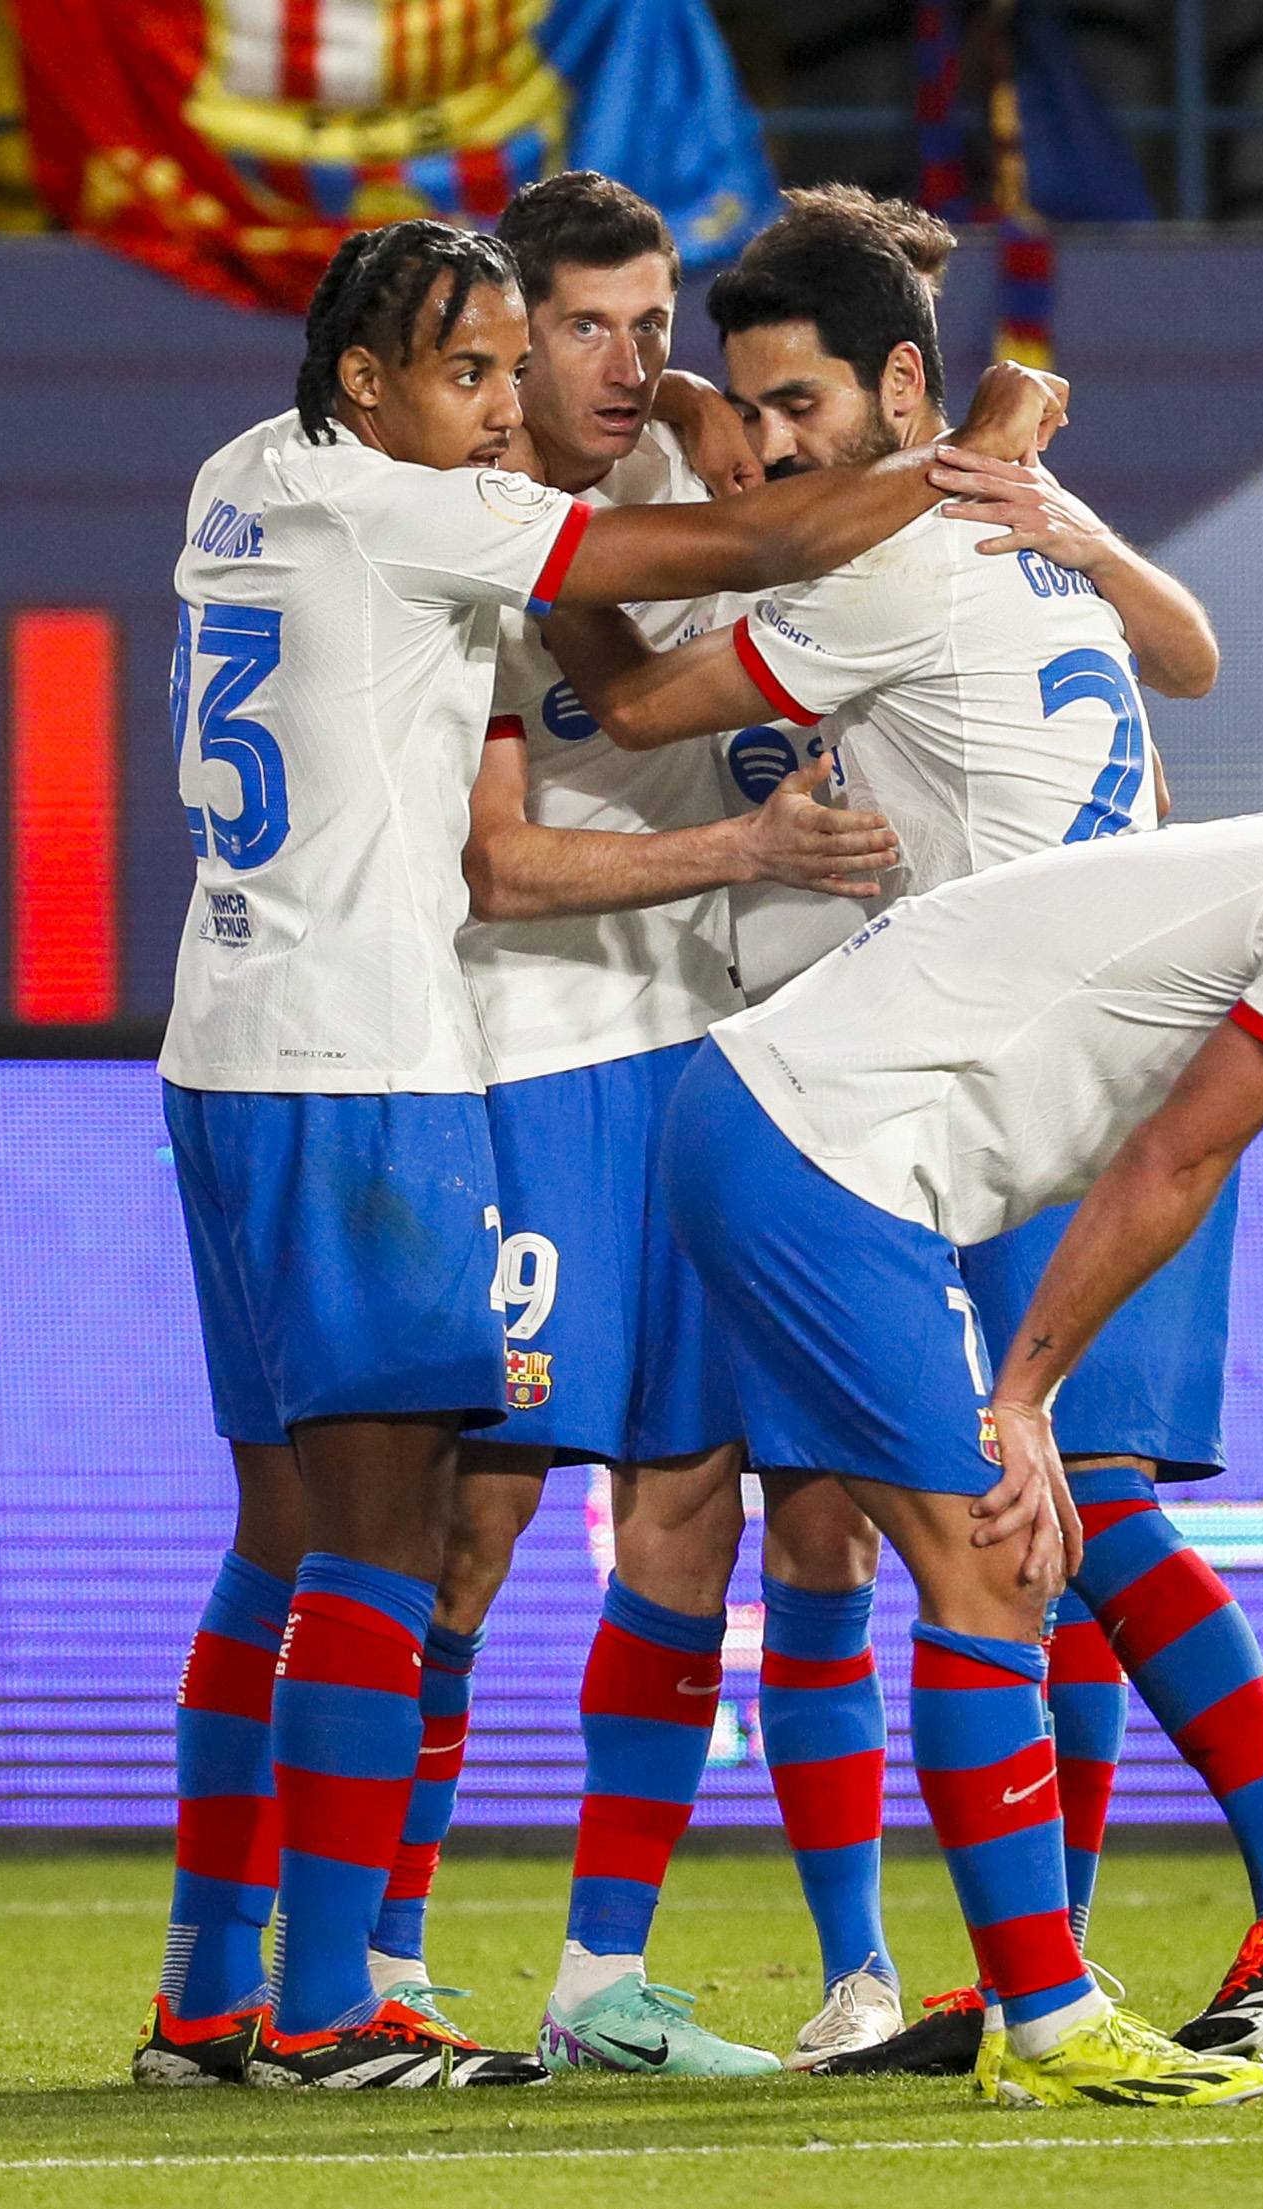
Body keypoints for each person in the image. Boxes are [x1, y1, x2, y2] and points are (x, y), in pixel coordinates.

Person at [132, 213, 1065, 2093]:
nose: (498, 410)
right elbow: (765, 544)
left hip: (222, 1049)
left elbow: (661, 456)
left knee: (293, 1536)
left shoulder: (249, 480)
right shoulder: (437, 514)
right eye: (471, 370)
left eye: (515, 370)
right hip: (383, 1068)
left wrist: (692, 390)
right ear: (374, 383)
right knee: (400, 1539)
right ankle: (338, 2000)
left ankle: (210, 1992)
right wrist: (1001, 435)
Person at [575, 188, 1263, 2069]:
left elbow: (627, 695)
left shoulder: (892, 565)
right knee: (1055, 1520)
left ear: (899, 384)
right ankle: (1083, 1947)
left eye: (800, 405)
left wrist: (532, 538)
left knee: (1051, 1514)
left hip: (1062, 1068)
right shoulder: (996, 524)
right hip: (1114, 1049)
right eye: (753, 404)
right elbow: (1182, 659)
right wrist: (999, 470)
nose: (774, 445)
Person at [656, 696, 1263, 2105]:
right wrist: (1033, 1390)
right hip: (826, 1148)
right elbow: (1175, 1161)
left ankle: (1046, 1991)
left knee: (996, 1559)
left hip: (774, 1117)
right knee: (999, 1555)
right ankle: (1054, 2019)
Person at [353, 169, 911, 2083]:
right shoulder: (481, 542)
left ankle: (726, 1981)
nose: (627, 359)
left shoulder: (730, 513)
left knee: (766, 1505)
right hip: (526, 1062)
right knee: (473, 1517)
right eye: (582, 326)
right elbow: (500, 866)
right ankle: (376, 1955)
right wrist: (752, 842)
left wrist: (695, 428)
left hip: (735, 1065)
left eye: (652, 323)